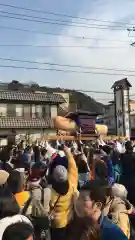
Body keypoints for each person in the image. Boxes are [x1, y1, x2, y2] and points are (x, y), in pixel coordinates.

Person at [50, 145, 79, 240]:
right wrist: (68, 152)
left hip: (55, 223)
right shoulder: (72, 183)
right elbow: (73, 166)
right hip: (69, 219)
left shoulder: (49, 191)